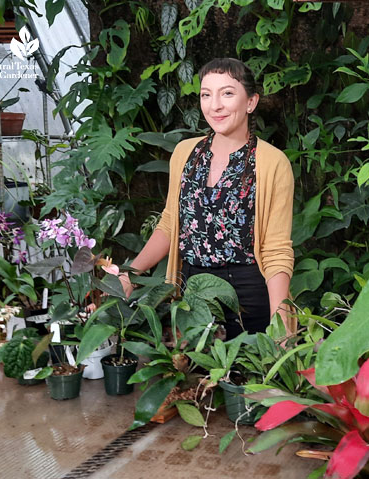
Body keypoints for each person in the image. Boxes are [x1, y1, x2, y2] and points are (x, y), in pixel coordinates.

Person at [119, 58, 295, 338]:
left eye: (227, 93)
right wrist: (130, 272)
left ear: (251, 102)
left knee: (252, 378)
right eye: (206, 94)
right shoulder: (184, 153)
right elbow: (170, 224)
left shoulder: (273, 163)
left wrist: (281, 323)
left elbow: (276, 251)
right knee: (197, 378)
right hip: (194, 289)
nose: (215, 105)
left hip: (249, 293)